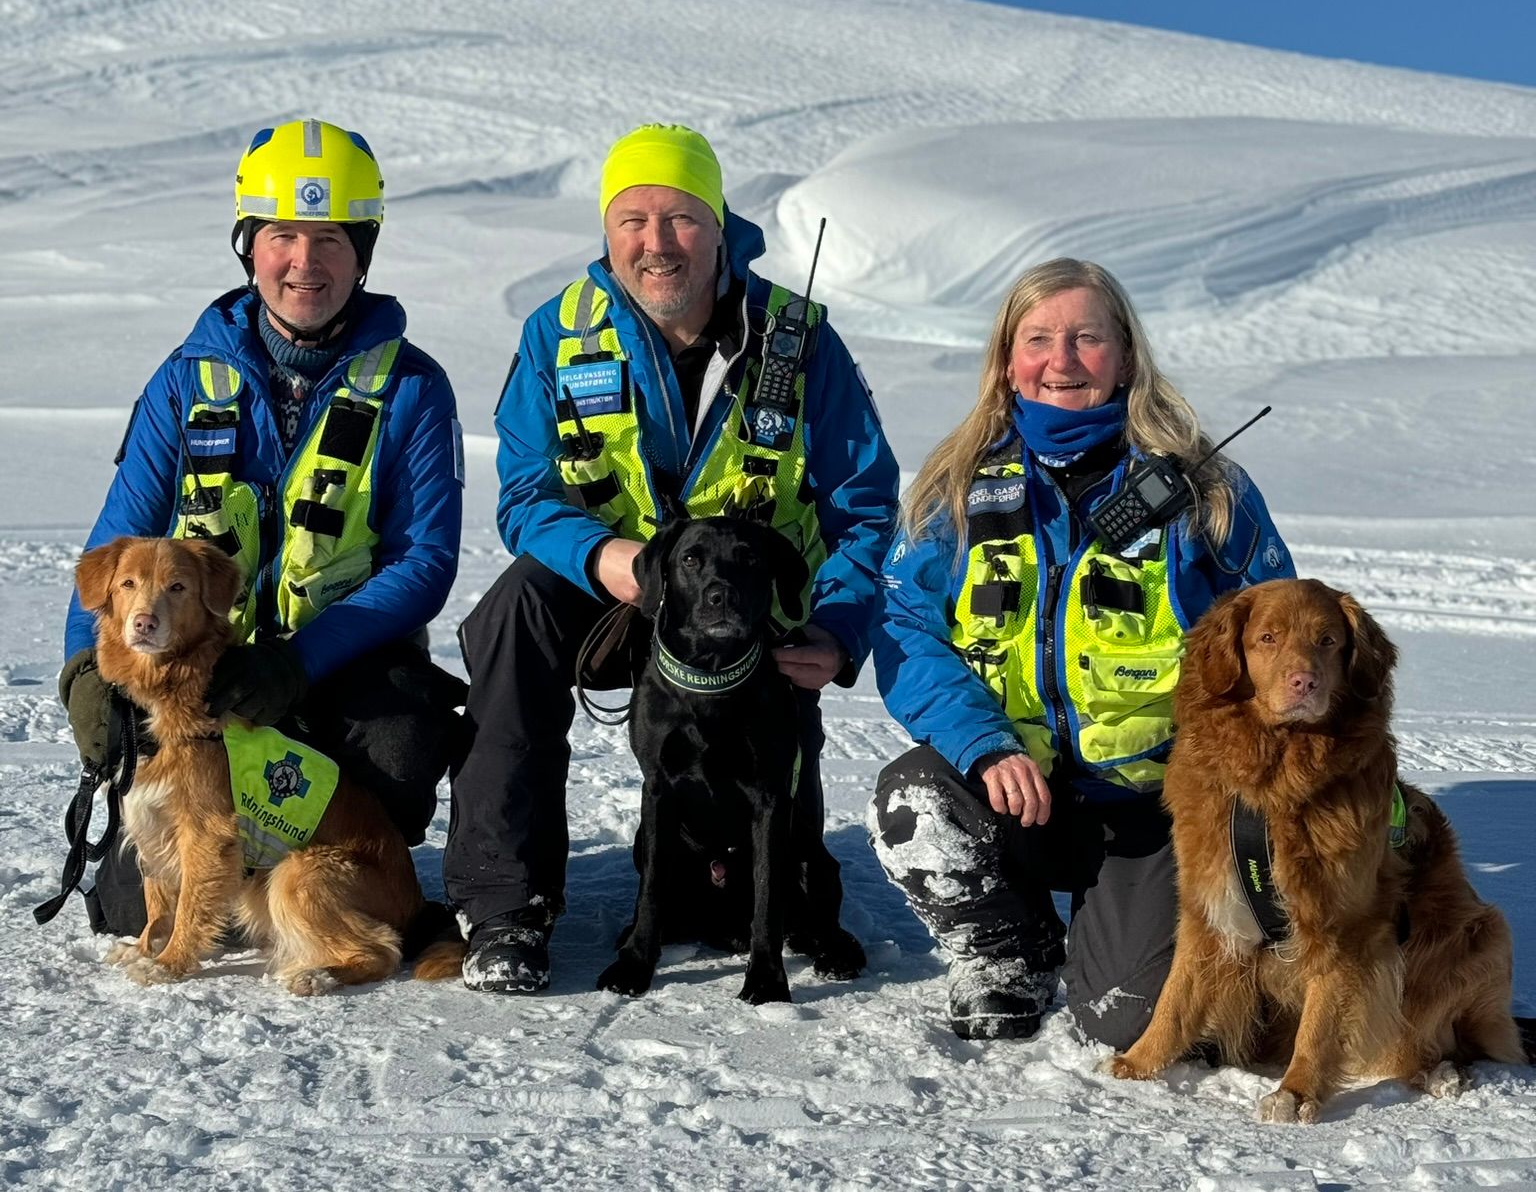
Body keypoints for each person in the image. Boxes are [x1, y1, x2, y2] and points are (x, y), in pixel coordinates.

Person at [448, 123, 899, 993]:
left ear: (720, 229)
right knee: (510, 616)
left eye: (681, 218)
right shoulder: (558, 334)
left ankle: (773, 897)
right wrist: (602, 556)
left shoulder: (800, 340)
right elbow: (526, 493)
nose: (656, 243)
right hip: (613, 582)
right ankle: (506, 908)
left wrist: (839, 627)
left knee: (778, 801)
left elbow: (863, 502)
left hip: (751, 606)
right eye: (633, 220)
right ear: (608, 232)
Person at [869, 258, 1294, 1045]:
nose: (1060, 361)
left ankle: (1141, 943)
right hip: (1014, 788)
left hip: (1157, 807)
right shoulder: (955, 486)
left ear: (1126, 357)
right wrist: (984, 743)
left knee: (1132, 1022)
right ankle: (1008, 949)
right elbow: (904, 624)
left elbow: (1282, 640)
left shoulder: (1209, 493)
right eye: (1037, 340)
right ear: (1007, 361)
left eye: (1086, 338)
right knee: (914, 798)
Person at [59, 118, 466, 935]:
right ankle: (236, 863)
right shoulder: (184, 382)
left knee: (403, 741)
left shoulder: (414, 388)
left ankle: (335, 878)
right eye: (283, 236)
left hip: (340, 671)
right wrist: (85, 673)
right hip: (203, 681)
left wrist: (296, 662)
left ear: (362, 254)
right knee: (124, 909)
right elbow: (116, 544)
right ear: (250, 247)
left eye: (330, 240)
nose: (304, 263)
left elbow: (425, 561)